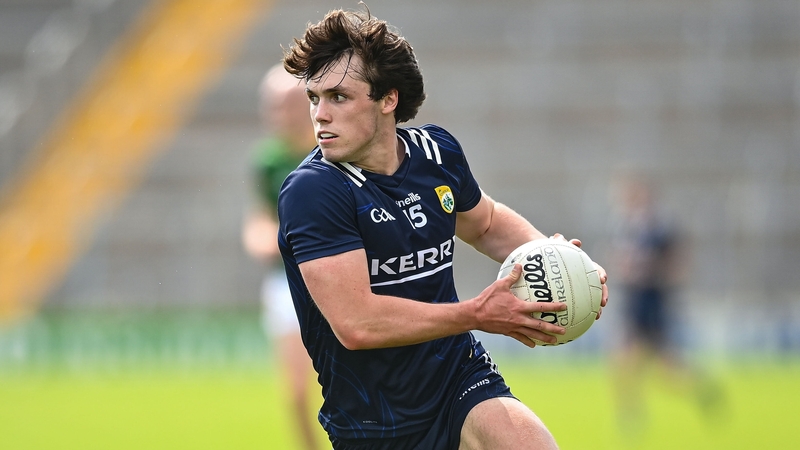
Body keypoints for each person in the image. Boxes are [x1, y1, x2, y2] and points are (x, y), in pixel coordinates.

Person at [276, 7, 609, 450]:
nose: (320, 114)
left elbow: (486, 223)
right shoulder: (314, 191)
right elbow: (357, 324)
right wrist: (475, 314)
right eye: (314, 98)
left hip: (458, 380)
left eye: (339, 97)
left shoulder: (436, 152)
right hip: (375, 425)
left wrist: (563, 262)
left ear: (388, 99)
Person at [241, 64, 322, 450]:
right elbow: (259, 220)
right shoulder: (268, 161)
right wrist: (260, 238)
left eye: (287, 105)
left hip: (334, 275)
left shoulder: (331, 152)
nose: (279, 116)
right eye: (272, 107)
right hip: (286, 283)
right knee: (296, 393)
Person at [607, 176, 724, 436]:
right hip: (634, 303)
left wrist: (648, 272)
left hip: (651, 304)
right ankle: (632, 416)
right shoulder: (628, 227)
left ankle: (701, 390)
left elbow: (677, 264)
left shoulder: (660, 229)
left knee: (663, 368)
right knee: (624, 361)